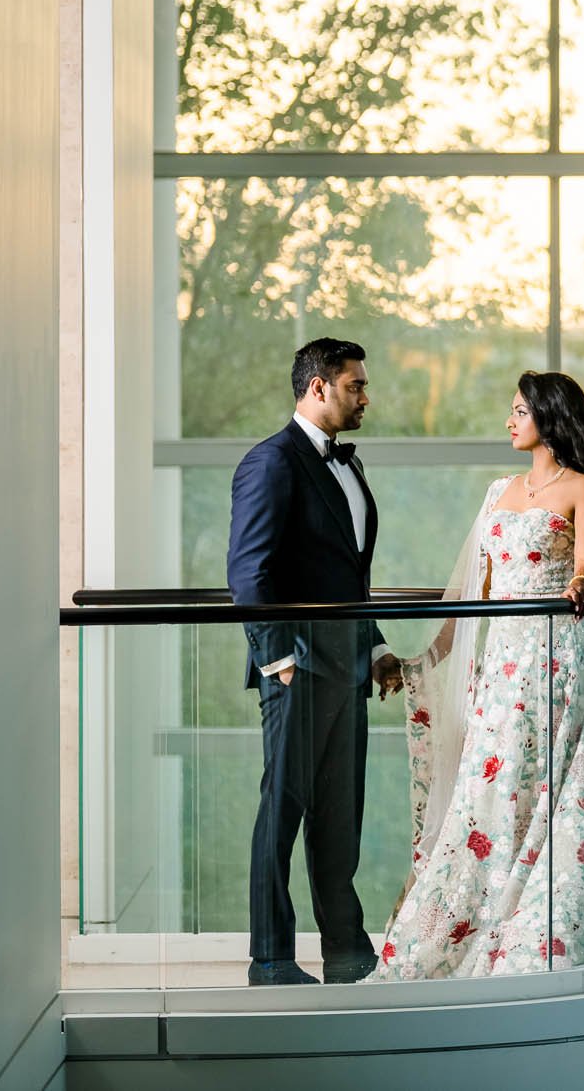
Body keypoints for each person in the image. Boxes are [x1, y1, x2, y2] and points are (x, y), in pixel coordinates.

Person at [368, 370, 584, 979]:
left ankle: (530, 928)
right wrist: (431, 656)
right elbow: (474, 590)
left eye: (518, 411)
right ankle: (464, 920)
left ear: (548, 417)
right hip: (499, 659)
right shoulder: (498, 490)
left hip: (551, 651)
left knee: (541, 779)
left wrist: (580, 583)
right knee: (490, 781)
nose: (509, 421)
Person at [226, 337, 404, 986]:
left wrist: (376, 646)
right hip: (297, 669)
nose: (365, 395)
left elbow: (347, 576)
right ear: (318, 387)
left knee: (339, 817)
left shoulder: (348, 466)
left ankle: (345, 951)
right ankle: (271, 957)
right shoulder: (271, 462)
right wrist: (276, 660)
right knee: (282, 814)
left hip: (348, 669)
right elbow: (249, 571)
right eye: (355, 384)